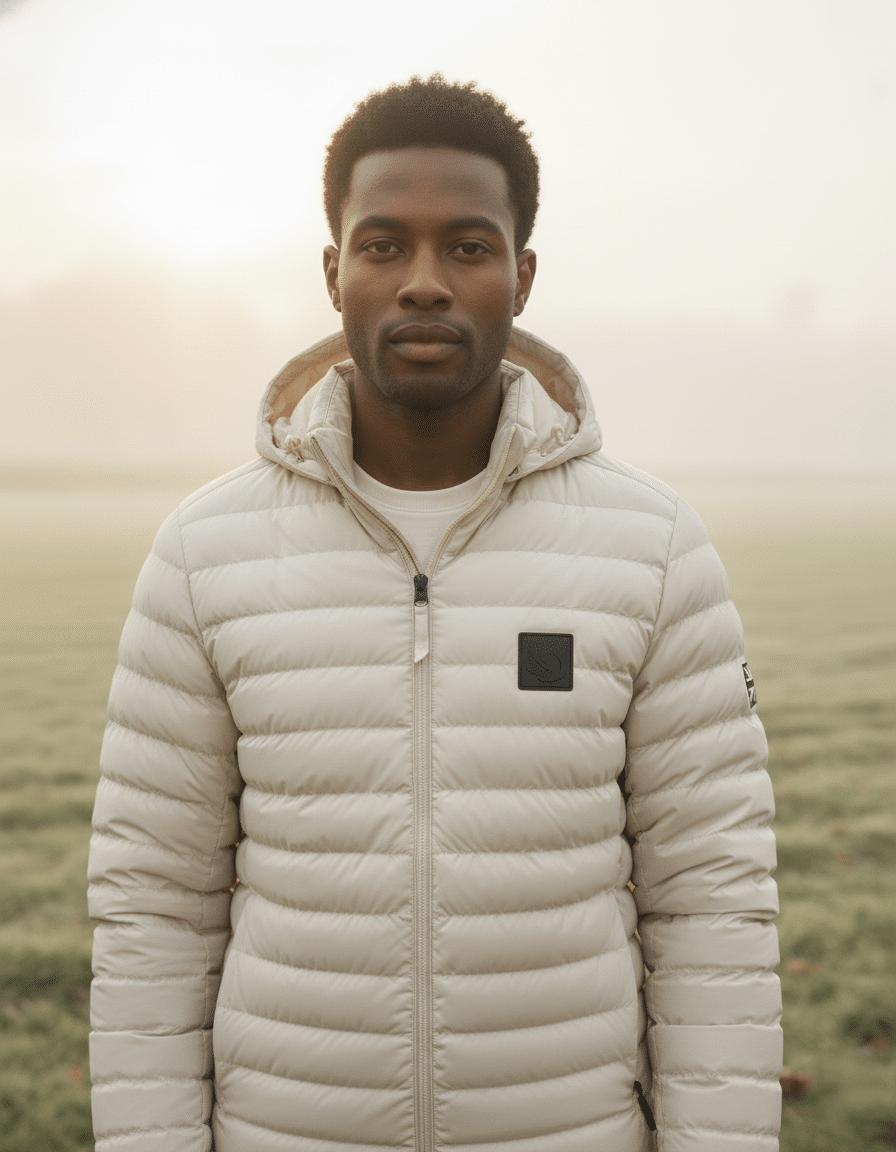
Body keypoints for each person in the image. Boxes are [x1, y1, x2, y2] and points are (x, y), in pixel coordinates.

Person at [87, 74, 783, 1152]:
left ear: (521, 275)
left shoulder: (651, 547)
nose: (422, 283)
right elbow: (152, 912)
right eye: (382, 247)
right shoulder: (201, 553)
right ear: (332, 274)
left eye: (465, 246)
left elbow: (710, 907)